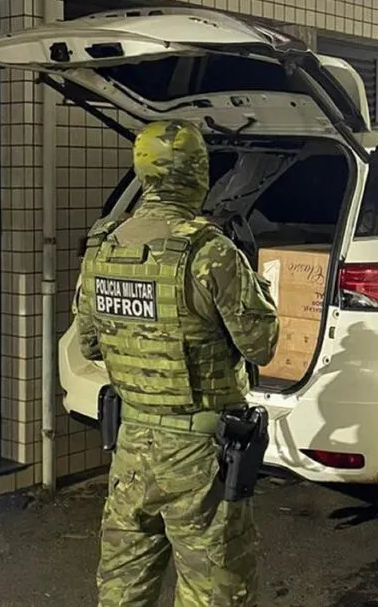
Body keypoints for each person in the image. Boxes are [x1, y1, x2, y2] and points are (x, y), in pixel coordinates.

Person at [72, 119, 280, 607]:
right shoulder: (212, 253)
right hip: (198, 454)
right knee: (213, 590)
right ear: (199, 176)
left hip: (130, 447)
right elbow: (261, 346)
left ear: (143, 174)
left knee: (124, 586)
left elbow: (90, 344)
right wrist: (260, 287)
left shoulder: (101, 245)